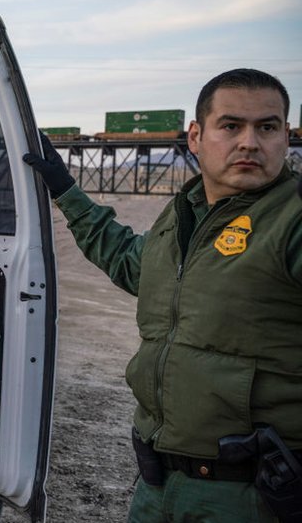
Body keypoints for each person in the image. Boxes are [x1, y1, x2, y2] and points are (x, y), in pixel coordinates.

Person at [23, 68, 301, 522]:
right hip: (158, 485)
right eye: (231, 126)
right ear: (196, 136)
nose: (249, 142)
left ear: (285, 137)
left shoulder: (292, 221)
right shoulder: (183, 217)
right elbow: (131, 261)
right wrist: (64, 189)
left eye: (266, 127)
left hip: (251, 497)